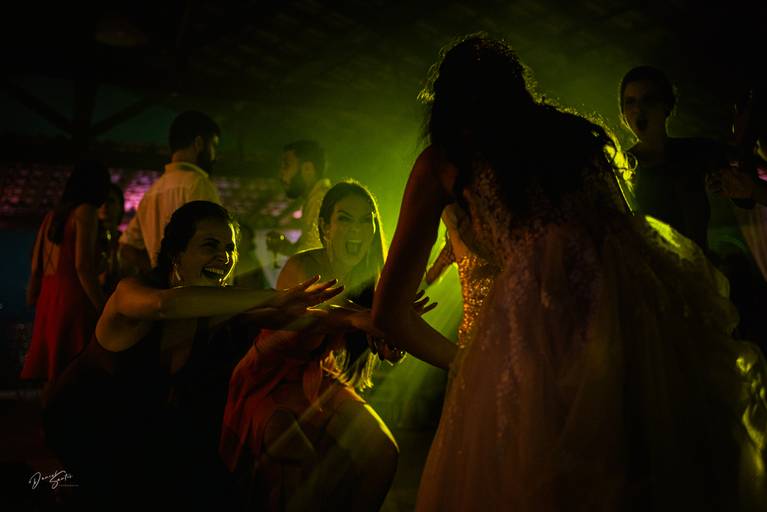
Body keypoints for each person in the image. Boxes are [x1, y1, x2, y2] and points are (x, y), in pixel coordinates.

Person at [373, 34, 766, 511]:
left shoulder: (445, 161)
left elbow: (388, 314)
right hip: (626, 338)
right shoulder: (575, 140)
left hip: (531, 344)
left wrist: (467, 364)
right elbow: (625, 236)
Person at [43, 200, 342, 510]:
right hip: (81, 421)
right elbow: (164, 305)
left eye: (230, 248)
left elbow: (298, 316)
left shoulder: (213, 311)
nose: (225, 257)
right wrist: (274, 297)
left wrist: (361, 321)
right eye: (210, 245)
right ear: (176, 254)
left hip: (136, 430)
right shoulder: (130, 293)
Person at [221, 181, 418, 511]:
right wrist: (367, 318)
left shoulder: (371, 278)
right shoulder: (303, 267)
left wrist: (390, 347)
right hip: (270, 376)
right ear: (325, 227)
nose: (356, 229)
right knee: (297, 459)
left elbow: (378, 335)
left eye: (365, 220)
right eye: (345, 219)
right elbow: (317, 317)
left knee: (383, 454)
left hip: (320, 377)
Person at [22, 160, 111, 384]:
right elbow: (83, 266)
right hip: (73, 298)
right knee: (76, 372)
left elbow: (36, 265)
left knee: (53, 376)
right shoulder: (86, 212)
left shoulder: (50, 217)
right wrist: (104, 307)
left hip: (48, 299)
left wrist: (32, 294)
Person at [119, 110, 222, 274]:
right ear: (199, 144)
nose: (215, 156)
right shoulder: (198, 184)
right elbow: (214, 240)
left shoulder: (151, 192)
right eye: (214, 146)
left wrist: (160, 271)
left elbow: (126, 247)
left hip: (163, 288)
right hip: (193, 287)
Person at [424, 203, 496, 347]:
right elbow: (430, 278)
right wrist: (441, 262)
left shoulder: (488, 233)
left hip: (493, 321)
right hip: (475, 329)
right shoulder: (455, 238)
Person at [266, 139, 331, 257]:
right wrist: (285, 247)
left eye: (286, 165)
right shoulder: (315, 199)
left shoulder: (320, 201)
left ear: (308, 169)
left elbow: (312, 254)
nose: (281, 173)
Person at [97, 183, 125, 296]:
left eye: (111, 201)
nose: (105, 205)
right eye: (101, 201)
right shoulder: (88, 241)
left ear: (120, 207)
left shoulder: (126, 241)